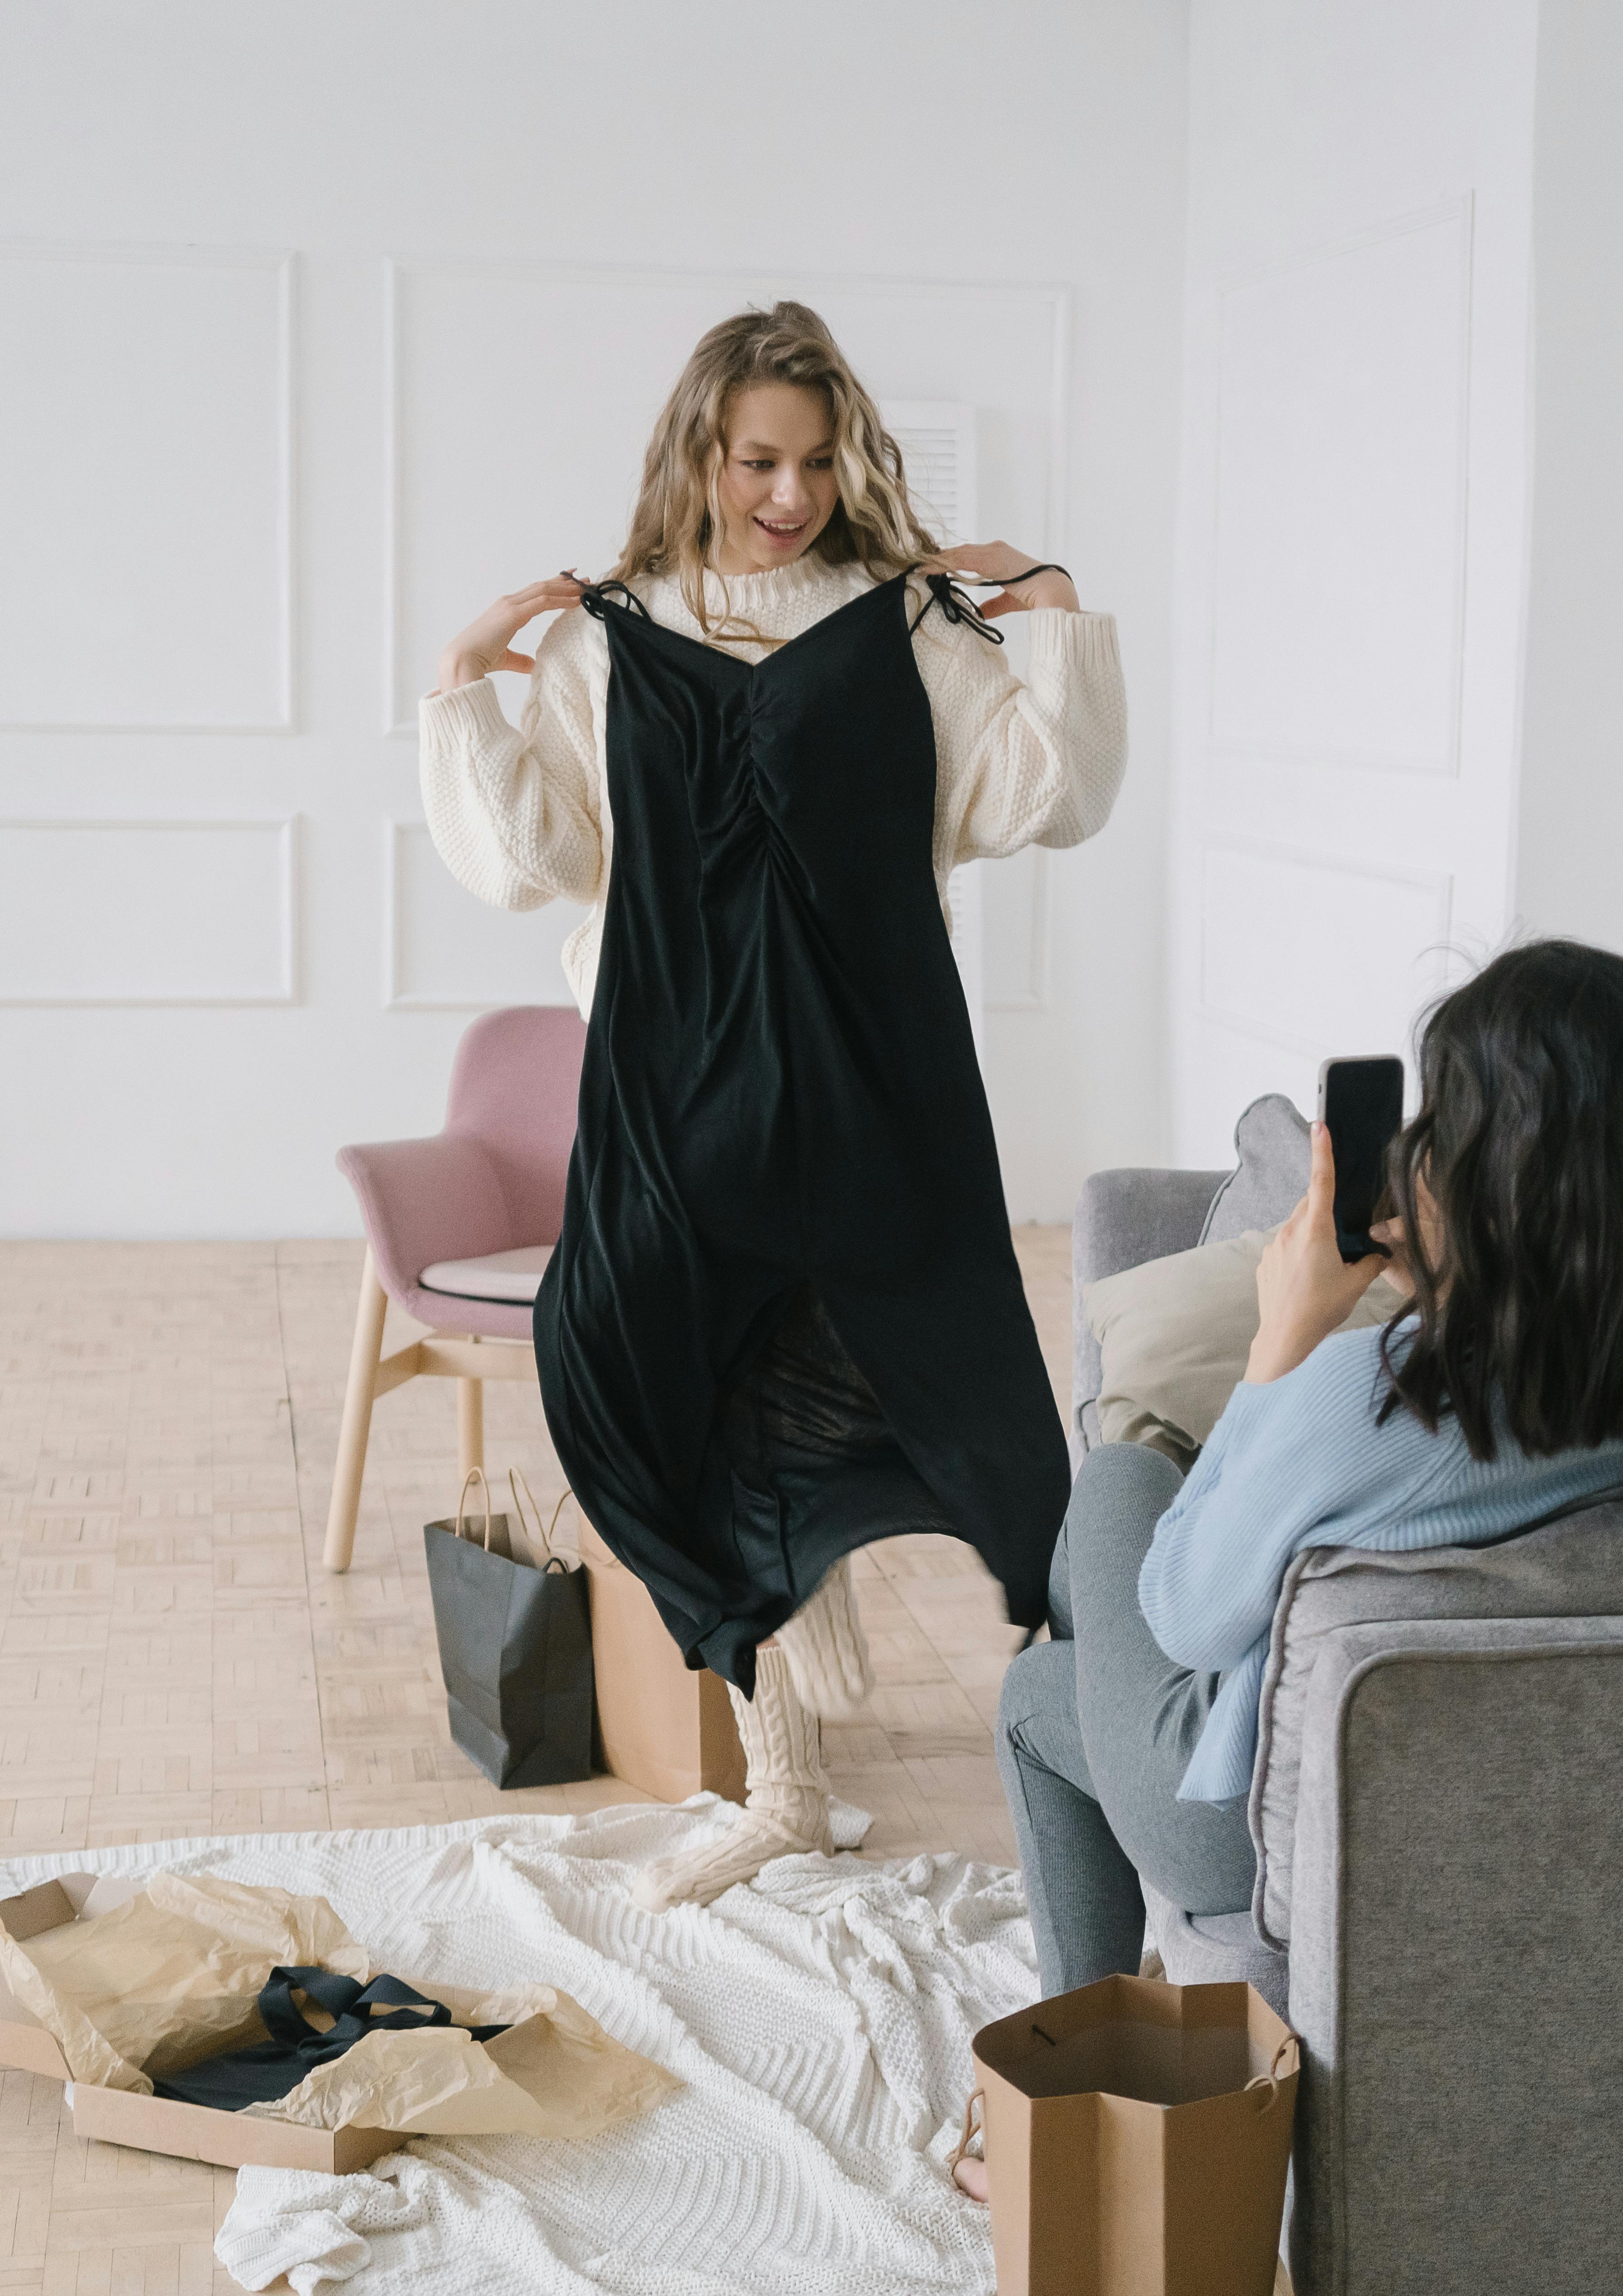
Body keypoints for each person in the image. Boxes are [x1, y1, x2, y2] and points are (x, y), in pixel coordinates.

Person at [422, 301, 1125, 1908]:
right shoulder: (609, 637)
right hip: (671, 1088)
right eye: (758, 460)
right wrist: (464, 682)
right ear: (701, 451)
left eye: (815, 461)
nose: (788, 494)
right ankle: (786, 1782)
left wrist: (1060, 623)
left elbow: (1046, 797)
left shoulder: (908, 625)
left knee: (970, 1403)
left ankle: (1096, 1736)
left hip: (876, 1083)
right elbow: (530, 855)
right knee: (650, 1375)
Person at [995, 941, 1623, 1995]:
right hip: (1523, 1792)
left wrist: (1276, 1351)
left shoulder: (1381, 1399)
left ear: (1492, 1176)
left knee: (1097, 1528)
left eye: (1441, 1124)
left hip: (1251, 1824)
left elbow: (1184, 1610)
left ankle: (1078, 2085)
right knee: (1082, 1612)